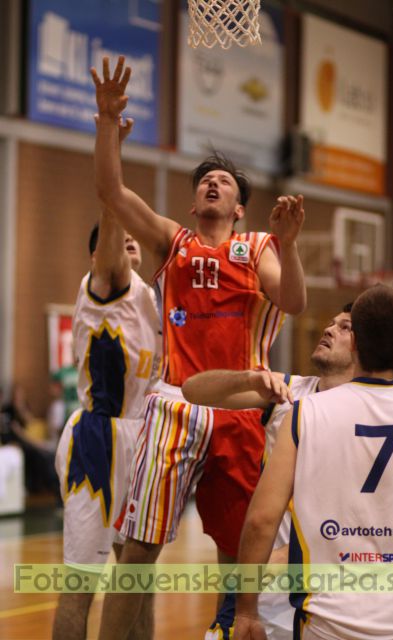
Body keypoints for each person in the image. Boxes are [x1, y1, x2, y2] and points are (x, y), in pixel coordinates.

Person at [91, 55, 307, 640]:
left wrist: (288, 246)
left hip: (242, 408)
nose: (213, 183)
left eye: (225, 182)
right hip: (175, 405)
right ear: (193, 203)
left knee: (237, 549)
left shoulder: (258, 245)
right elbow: (111, 190)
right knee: (138, 550)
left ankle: (227, 629)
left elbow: (293, 301)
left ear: (239, 208)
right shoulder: (172, 240)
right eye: (204, 181)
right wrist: (108, 121)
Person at [234, 284, 393, 640]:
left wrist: (246, 609)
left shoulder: (305, 412)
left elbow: (262, 520)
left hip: (326, 625)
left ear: (356, 343)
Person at [182, 304, 354, 640]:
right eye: (331, 322)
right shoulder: (286, 392)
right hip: (263, 583)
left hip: (327, 588)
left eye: (345, 326)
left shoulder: (373, 413)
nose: (329, 329)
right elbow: (191, 390)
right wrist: (247, 377)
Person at [52, 119, 160, 640]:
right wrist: (112, 145)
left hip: (143, 442)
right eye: (121, 241)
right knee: (82, 585)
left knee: (137, 582)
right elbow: (112, 211)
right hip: (99, 440)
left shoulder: (150, 298)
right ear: (100, 256)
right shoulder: (104, 281)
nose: (129, 246)